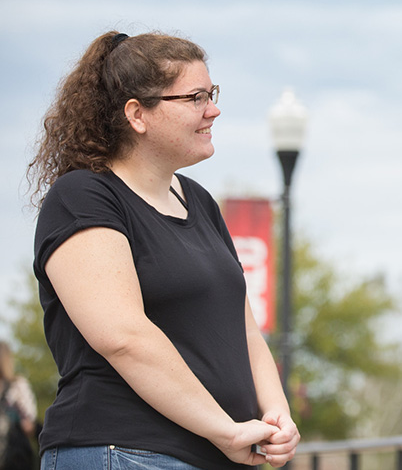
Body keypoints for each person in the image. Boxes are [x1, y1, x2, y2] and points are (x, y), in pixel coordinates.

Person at [28, 31, 299, 469]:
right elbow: (124, 338)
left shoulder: (200, 201)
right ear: (137, 114)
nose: (213, 109)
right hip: (123, 451)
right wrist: (224, 429)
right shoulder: (83, 196)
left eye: (211, 93)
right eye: (195, 98)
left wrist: (277, 415)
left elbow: (245, 332)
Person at [1, 341, 37, 470]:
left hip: (13, 456)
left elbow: (29, 424)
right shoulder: (18, 385)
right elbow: (30, 422)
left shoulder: (17, 386)